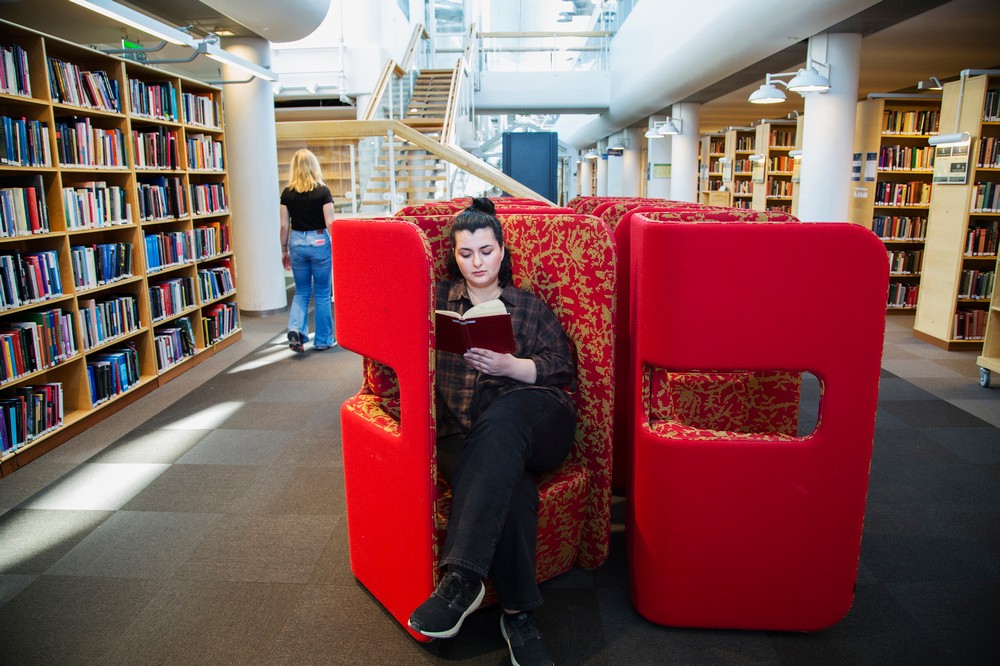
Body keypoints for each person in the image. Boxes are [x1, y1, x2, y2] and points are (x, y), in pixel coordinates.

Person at [408, 198, 576, 666]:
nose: (477, 263)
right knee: (511, 485)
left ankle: (461, 579)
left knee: (504, 416)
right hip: (463, 434)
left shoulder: (528, 306)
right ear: (454, 255)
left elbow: (562, 369)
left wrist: (512, 366)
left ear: (502, 250)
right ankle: (519, 617)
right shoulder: (435, 303)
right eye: (466, 253)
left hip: (540, 421)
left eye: (486, 251)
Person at [279, 149, 336, 352]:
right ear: (314, 166)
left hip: (296, 241)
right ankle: (323, 340)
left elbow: (284, 226)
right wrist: (338, 245)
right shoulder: (323, 191)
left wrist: (284, 250)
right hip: (319, 241)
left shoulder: (287, 193)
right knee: (322, 292)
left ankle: (296, 329)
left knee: (302, 291)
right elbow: (330, 222)